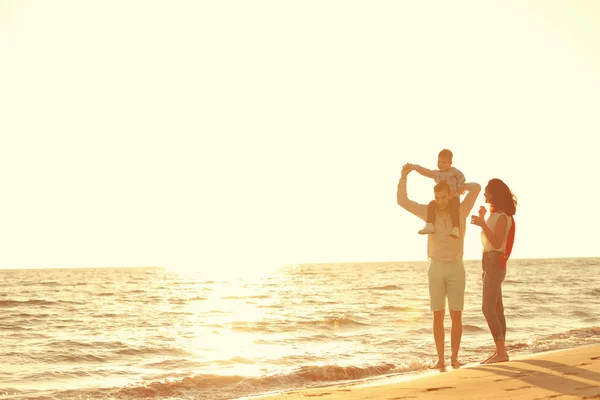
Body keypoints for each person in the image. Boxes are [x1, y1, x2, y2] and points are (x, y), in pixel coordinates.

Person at [397, 163, 481, 368]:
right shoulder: (428, 213)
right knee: (437, 315)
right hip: (435, 267)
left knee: (456, 315)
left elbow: (477, 187)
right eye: (437, 198)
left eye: (443, 197)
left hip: (455, 267)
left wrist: (460, 187)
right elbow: (402, 201)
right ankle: (441, 359)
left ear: (449, 196)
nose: (440, 201)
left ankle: (454, 358)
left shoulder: (461, 211)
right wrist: (403, 177)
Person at [470, 179, 517, 364]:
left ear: (493, 194)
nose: (483, 194)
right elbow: (489, 239)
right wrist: (483, 218)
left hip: (494, 262)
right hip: (488, 263)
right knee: (497, 309)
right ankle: (500, 351)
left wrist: (482, 223)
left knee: (487, 308)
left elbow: (496, 243)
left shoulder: (503, 216)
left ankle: (501, 352)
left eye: (486, 192)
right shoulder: (495, 215)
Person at [408, 149, 466, 238]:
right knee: (431, 204)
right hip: (441, 200)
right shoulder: (436, 174)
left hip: (453, 198)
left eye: (444, 162)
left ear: (450, 163)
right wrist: (414, 167)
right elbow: (425, 171)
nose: (441, 164)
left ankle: (456, 228)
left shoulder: (453, 171)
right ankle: (430, 224)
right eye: (439, 162)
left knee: (455, 208)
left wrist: (460, 186)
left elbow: (461, 177)